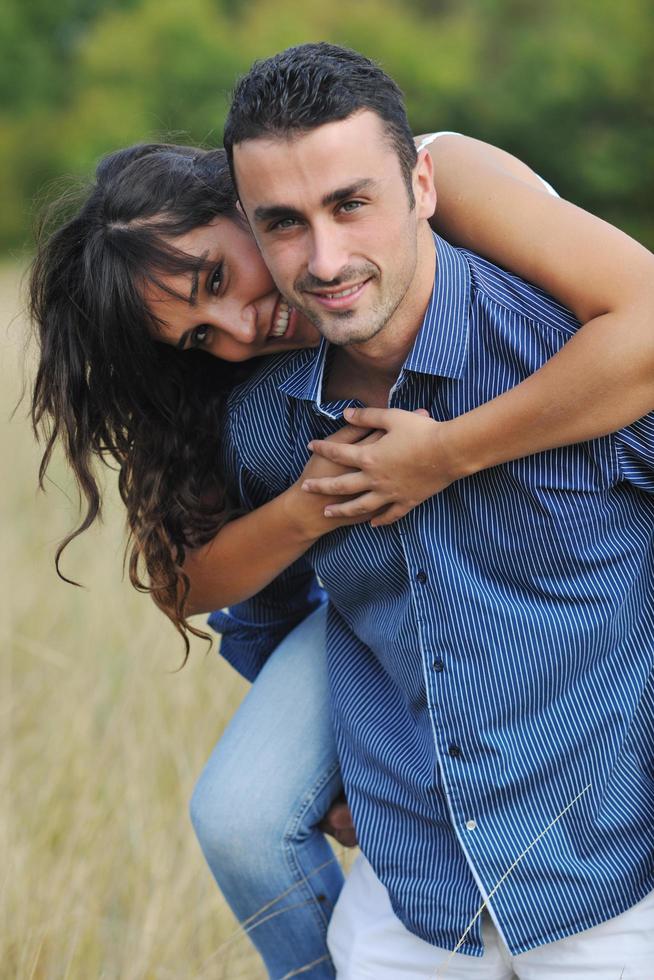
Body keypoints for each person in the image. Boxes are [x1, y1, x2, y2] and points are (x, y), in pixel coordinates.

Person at [29, 127, 654, 980]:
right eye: (200, 339)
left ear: (247, 201)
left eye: (219, 279)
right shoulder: (258, 400)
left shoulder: (444, 176)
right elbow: (187, 578)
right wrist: (313, 504)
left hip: (546, 527)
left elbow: (641, 322)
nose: (241, 330)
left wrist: (441, 455)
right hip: (371, 578)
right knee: (245, 817)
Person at [190, 41, 654, 979]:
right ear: (247, 225)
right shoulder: (269, 424)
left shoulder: (569, 355)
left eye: (351, 204)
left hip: (608, 878)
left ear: (423, 186)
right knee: (238, 814)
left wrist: (446, 454)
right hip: (413, 895)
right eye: (283, 223)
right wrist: (336, 774)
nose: (324, 259)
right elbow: (258, 607)